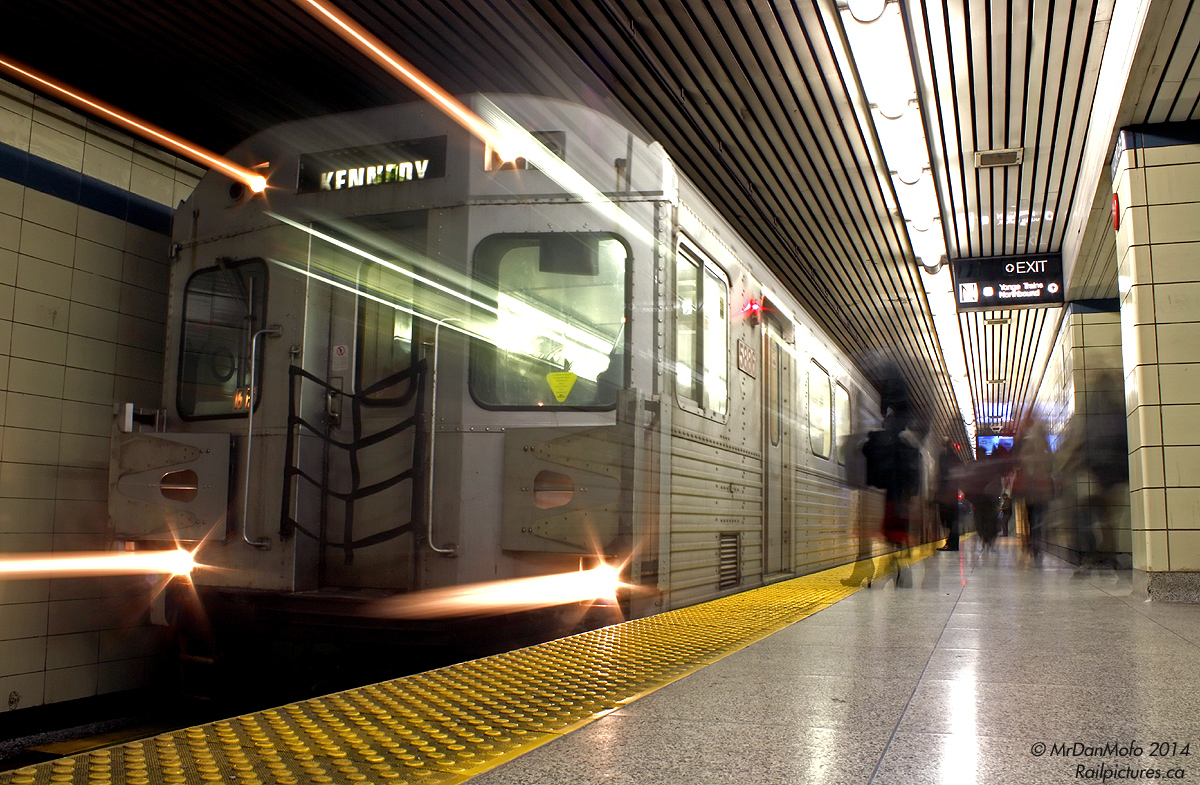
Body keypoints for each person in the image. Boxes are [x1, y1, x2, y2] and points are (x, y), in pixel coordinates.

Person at [863, 410, 921, 586]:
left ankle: (894, 563)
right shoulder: (910, 442)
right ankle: (898, 560)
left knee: (892, 528)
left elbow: (870, 452)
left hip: (894, 493)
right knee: (898, 528)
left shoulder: (893, 442)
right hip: (904, 495)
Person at [934, 437, 960, 551]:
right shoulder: (955, 456)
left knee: (949, 519)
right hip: (952, 492)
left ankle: (951, 544)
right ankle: (952, 543)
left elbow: (943, 475)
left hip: (947, 493)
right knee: (951, 520)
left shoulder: (944, 456)